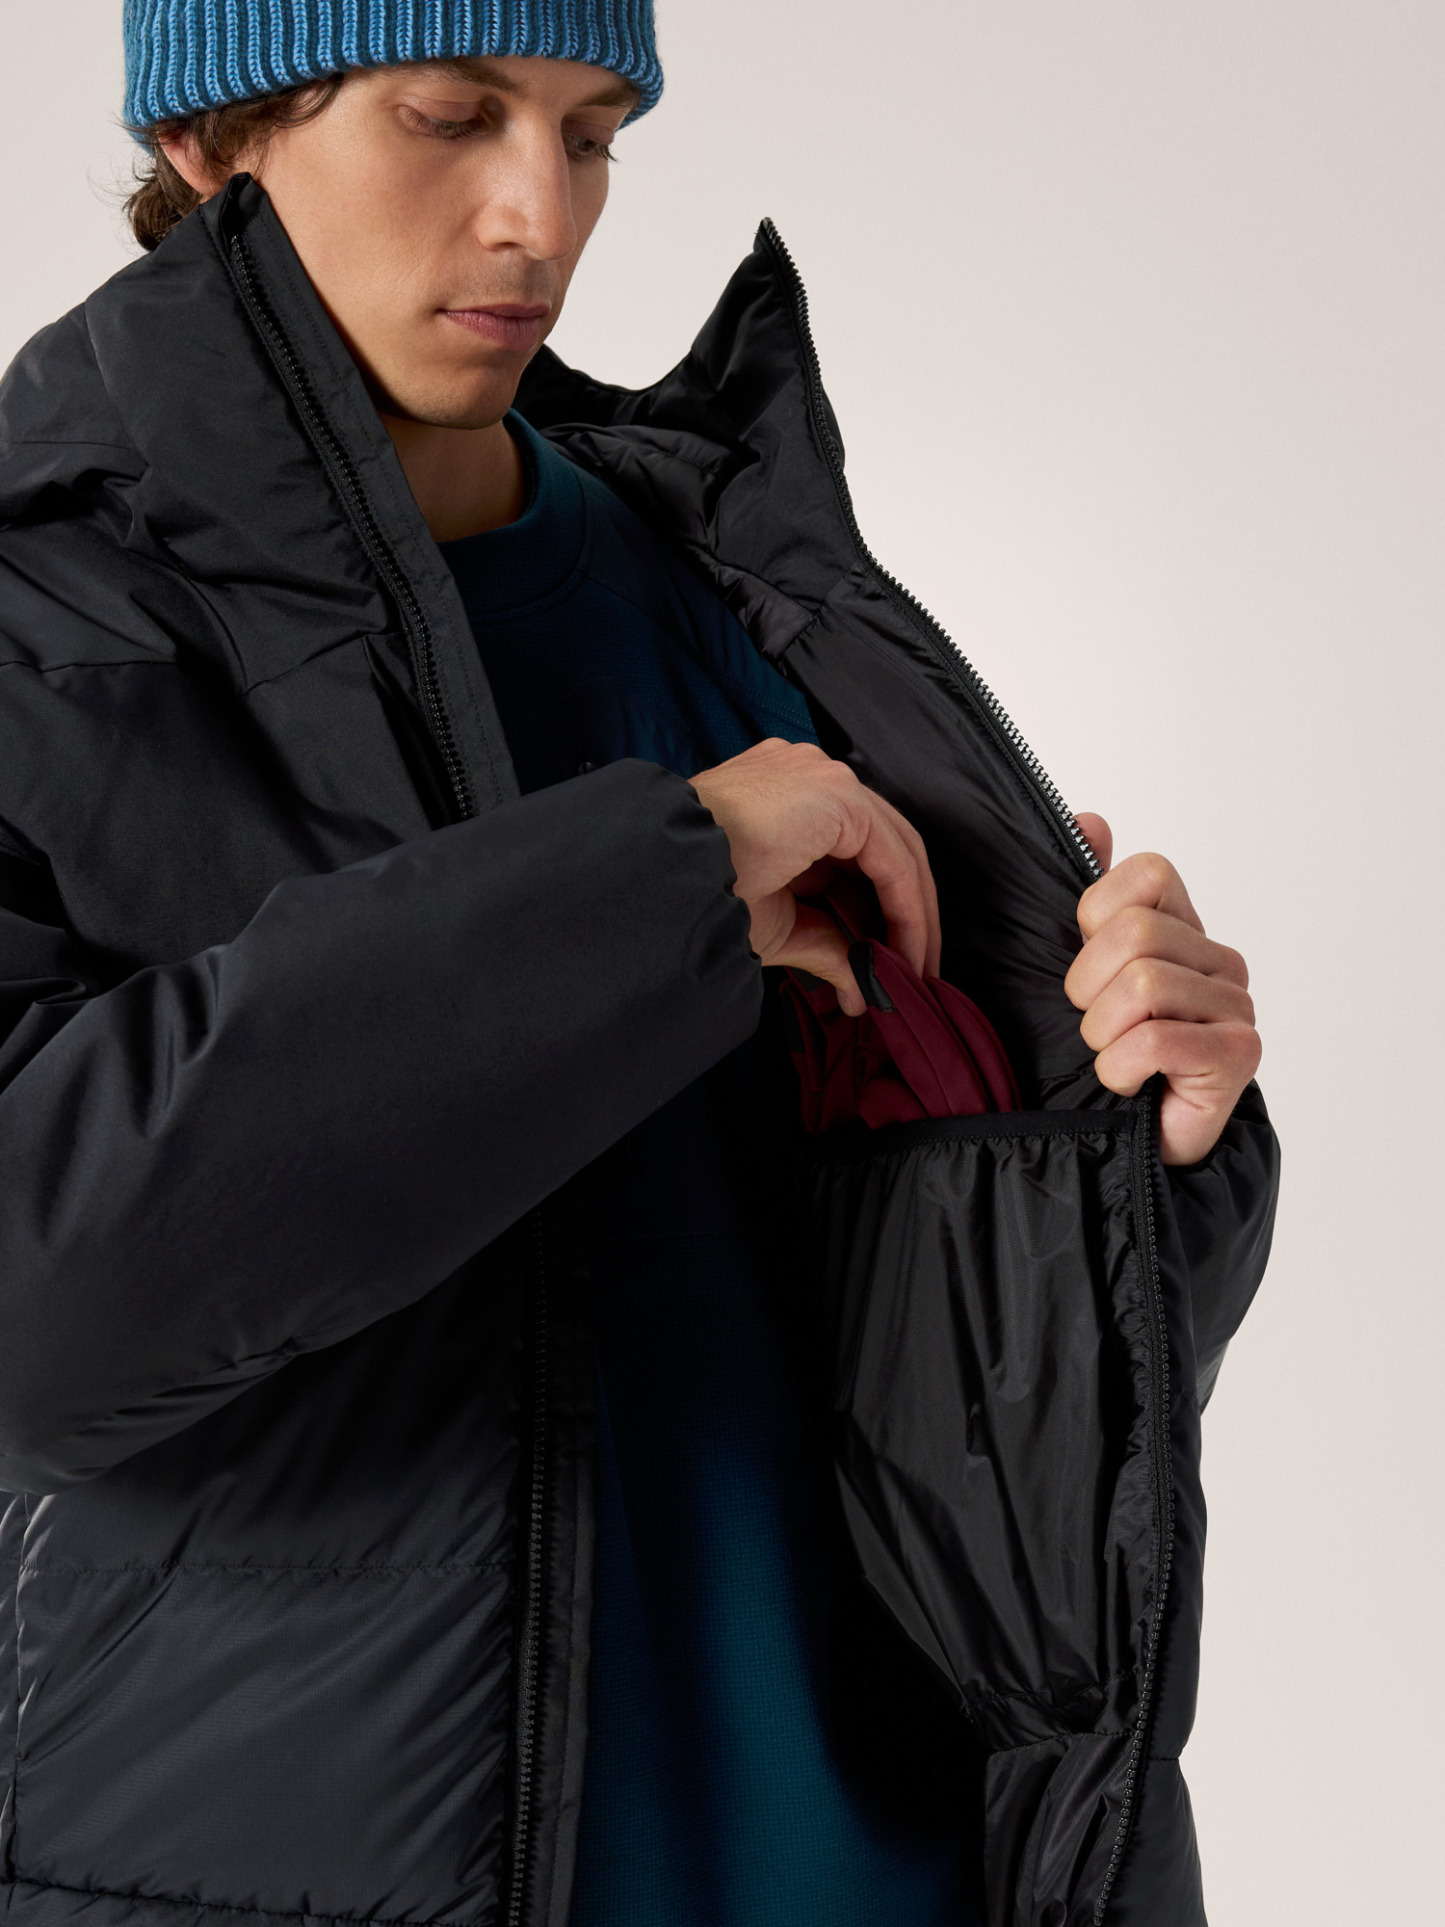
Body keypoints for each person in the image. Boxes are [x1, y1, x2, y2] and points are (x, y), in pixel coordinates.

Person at [0, 5, 1278, 1925]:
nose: (540, 213)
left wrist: (1143, 1146)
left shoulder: (739, 579)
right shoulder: (43, 617)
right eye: (450, 115)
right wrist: (643, 893)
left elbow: (987, 1375)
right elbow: (42, 1318)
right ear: (208, 139)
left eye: (592, 133)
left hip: (900, 1866)